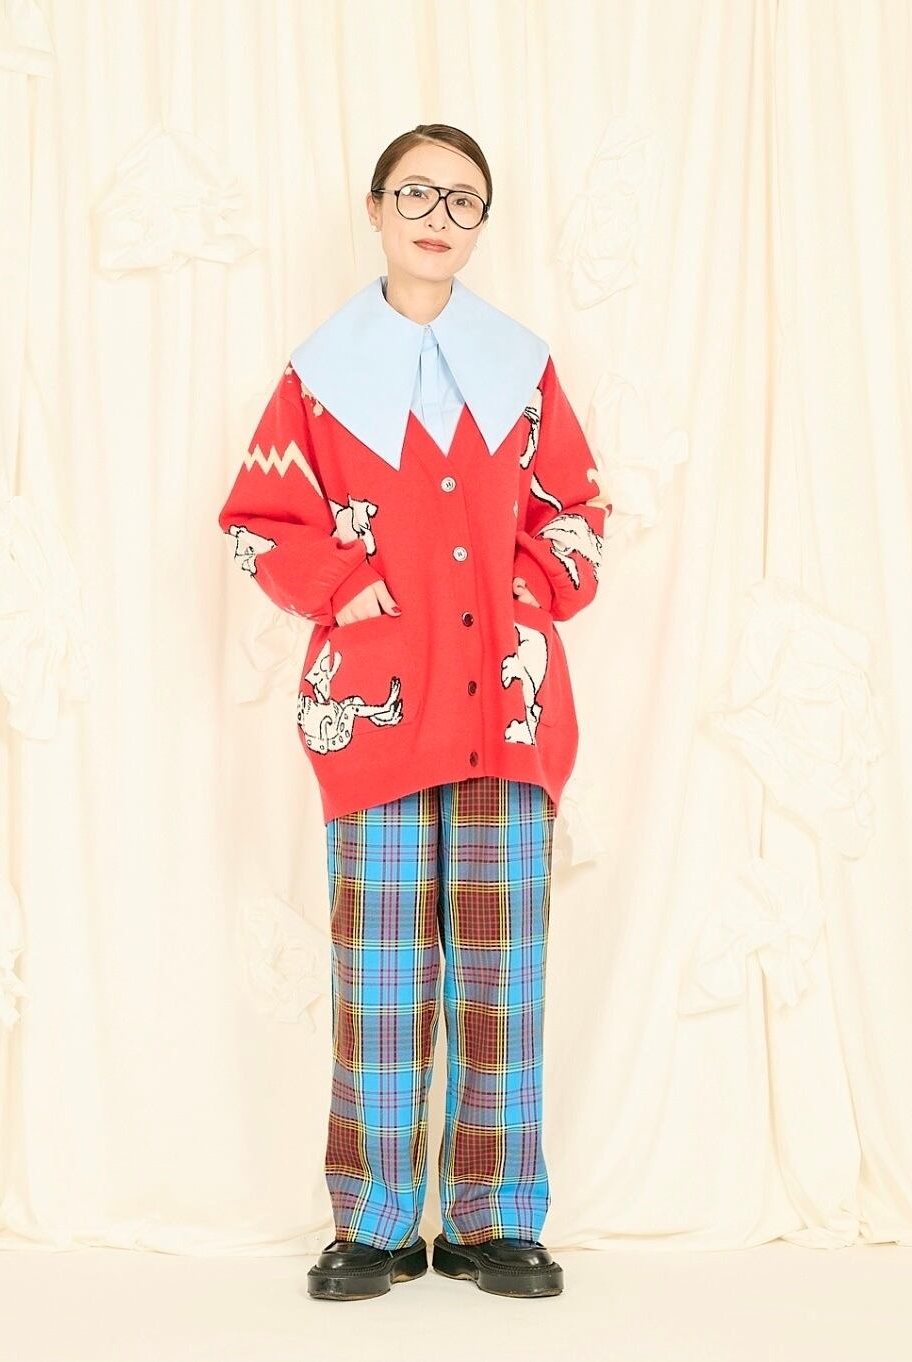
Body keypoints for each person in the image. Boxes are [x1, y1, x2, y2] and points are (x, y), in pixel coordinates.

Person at [216, 123, 609, 1301]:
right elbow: (258, 521)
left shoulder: (522, 369)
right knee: (382, 976)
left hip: (506, 715)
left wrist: (530, 591)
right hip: (379, 714)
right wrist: (345, 587)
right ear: (377, 208)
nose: (440, 218)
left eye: (464, 200)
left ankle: (494, 1221)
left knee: (502, 974)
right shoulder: (319, 377)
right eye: (418, 194)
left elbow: (576, 511)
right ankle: (378, 1223)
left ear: (483, 222)